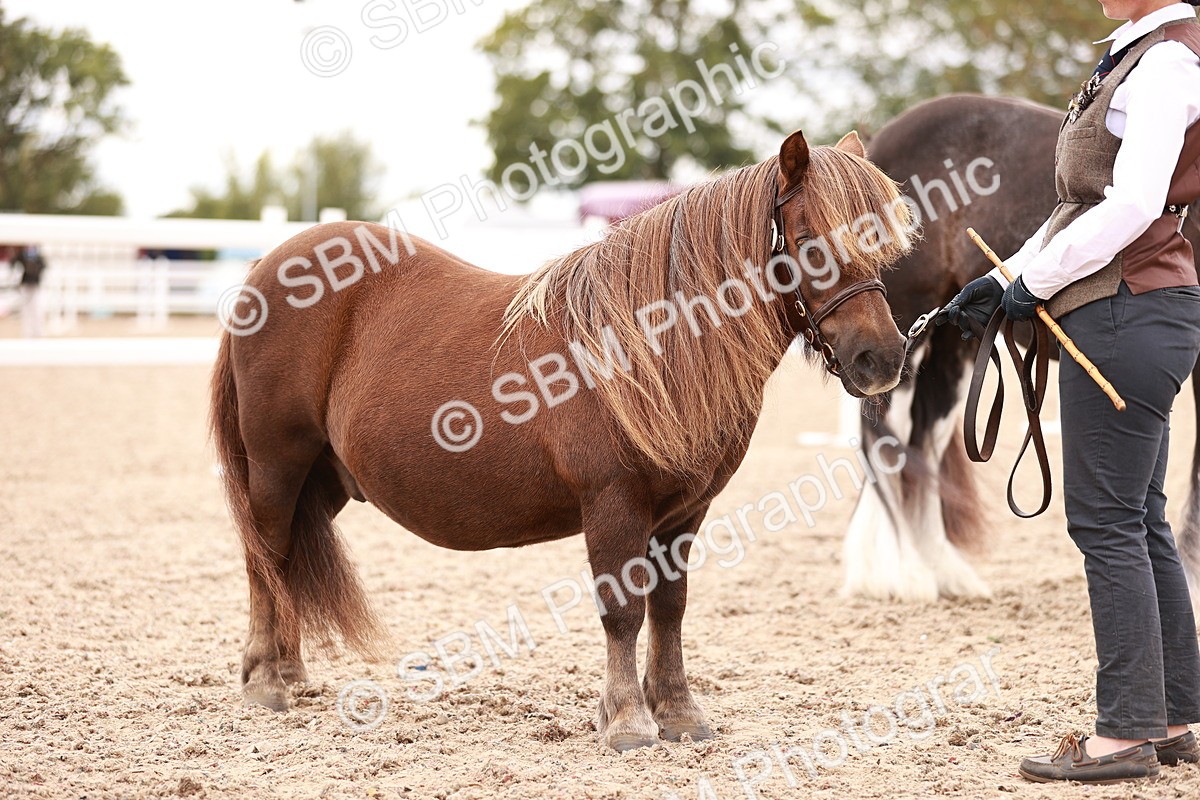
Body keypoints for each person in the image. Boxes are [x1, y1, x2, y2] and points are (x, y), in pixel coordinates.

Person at [937, 0, 1200, 785]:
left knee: (1105, 524)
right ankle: (1178, 715)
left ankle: (1123, 735)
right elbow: (1078, 207)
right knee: (1140, 519)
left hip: (1126, 312)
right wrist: (1001, 279)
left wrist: (1038, 282)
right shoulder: (1141, 52)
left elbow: (1132, 204)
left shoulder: (1164, 64)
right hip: (1133, 310)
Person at [11, 245, 47, 339]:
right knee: (26, 310)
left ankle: (38, 331)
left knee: (37, 309)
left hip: (35, 285)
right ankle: (27, 332)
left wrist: (35, 269)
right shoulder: (21, 256)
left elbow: (44, 266)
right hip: (25, 285)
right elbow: (13, 265)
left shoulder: (38, 257)